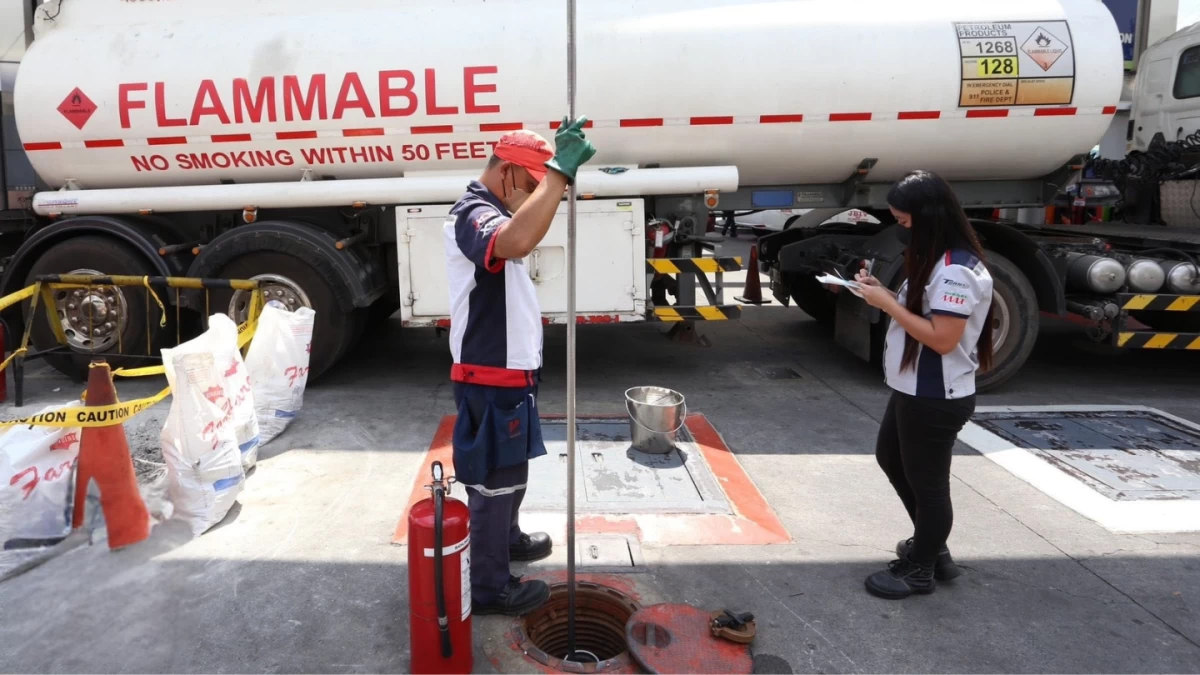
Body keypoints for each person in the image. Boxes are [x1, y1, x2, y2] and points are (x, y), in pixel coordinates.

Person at [443, 119, 597, 616]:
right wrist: (557, 175)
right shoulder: (473, 212)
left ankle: (504, 539)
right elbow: (511, 243)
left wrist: (553, 176)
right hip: (488, 376)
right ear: (507, 173)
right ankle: (489, 588)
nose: (536, 196)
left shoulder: (494, 207)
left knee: (511, 472)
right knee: (493, 480)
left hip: (512, 372)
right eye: (531, 186)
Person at [853, 169, 995, 600]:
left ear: (928, 217)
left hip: (935, 397)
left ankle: (921, 570)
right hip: (914, 390)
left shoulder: (955, 270)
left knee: (928, 485)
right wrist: (885, 294)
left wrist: (887, 306)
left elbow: (941, 338)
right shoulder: (939, 259)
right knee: (892, 459)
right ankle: (932, 548)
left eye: (905, 220)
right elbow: (928, 317)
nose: (901, 228)